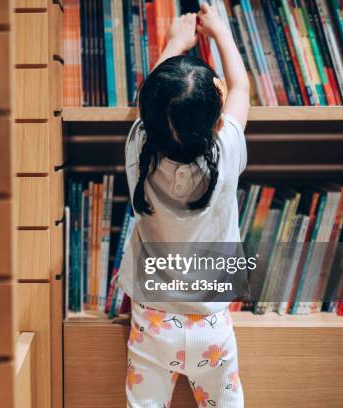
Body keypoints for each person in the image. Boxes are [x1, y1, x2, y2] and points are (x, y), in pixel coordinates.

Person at [117, 4, 250, 407]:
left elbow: (151, 103)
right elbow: (241, 90)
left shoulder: (139, 150)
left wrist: (176, 41)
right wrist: (222, 33)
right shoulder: (226, 153)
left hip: (152, 324)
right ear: (216, 123)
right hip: (213, 324)